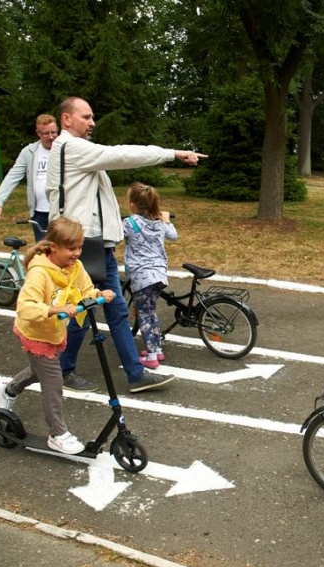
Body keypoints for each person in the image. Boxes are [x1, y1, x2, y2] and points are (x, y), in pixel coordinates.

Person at [47, 96, 206, 393]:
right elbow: (121, 154)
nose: (92, 122)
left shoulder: (80, 151)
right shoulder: (72, 147)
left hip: (97, 246)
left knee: (116, 311)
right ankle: (64, 371)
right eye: (86, 117)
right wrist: (173, 153)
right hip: (82, 247)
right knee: (83, 312)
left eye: (92, 117)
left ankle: (135, 374)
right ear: (66, 119)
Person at [0, 217, 115, 455]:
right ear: (53, 247)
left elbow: (85, 288)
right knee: (53, 381)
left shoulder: (75, 266)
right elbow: (25, 308)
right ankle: (57, 433)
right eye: (71, 248)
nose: (77, 253)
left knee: (41, 369)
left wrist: (98, 294)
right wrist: (53, 309)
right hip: (35, 332)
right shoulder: (40, 273)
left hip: (54, 331)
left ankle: (9, 389)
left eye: (80, 247)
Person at [122, 182, 178, 369]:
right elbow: (174, 235)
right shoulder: (160, 223)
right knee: (151, 311)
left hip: (142, 276)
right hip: (159, 275)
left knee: (144, 314)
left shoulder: (129, 223)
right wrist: (166, 220)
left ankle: (152, 356)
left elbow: (116, 236)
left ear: (132, 205)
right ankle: (157, 348)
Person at [0, 114, 59, 241]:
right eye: (46, 133)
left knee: (64, 249)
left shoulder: (66, 149)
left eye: (54, 132)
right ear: (38, 133)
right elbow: (13, 176)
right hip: (39, 213)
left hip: (62, 212)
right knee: (42, 250)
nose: (51, 136)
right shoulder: (29, 152)